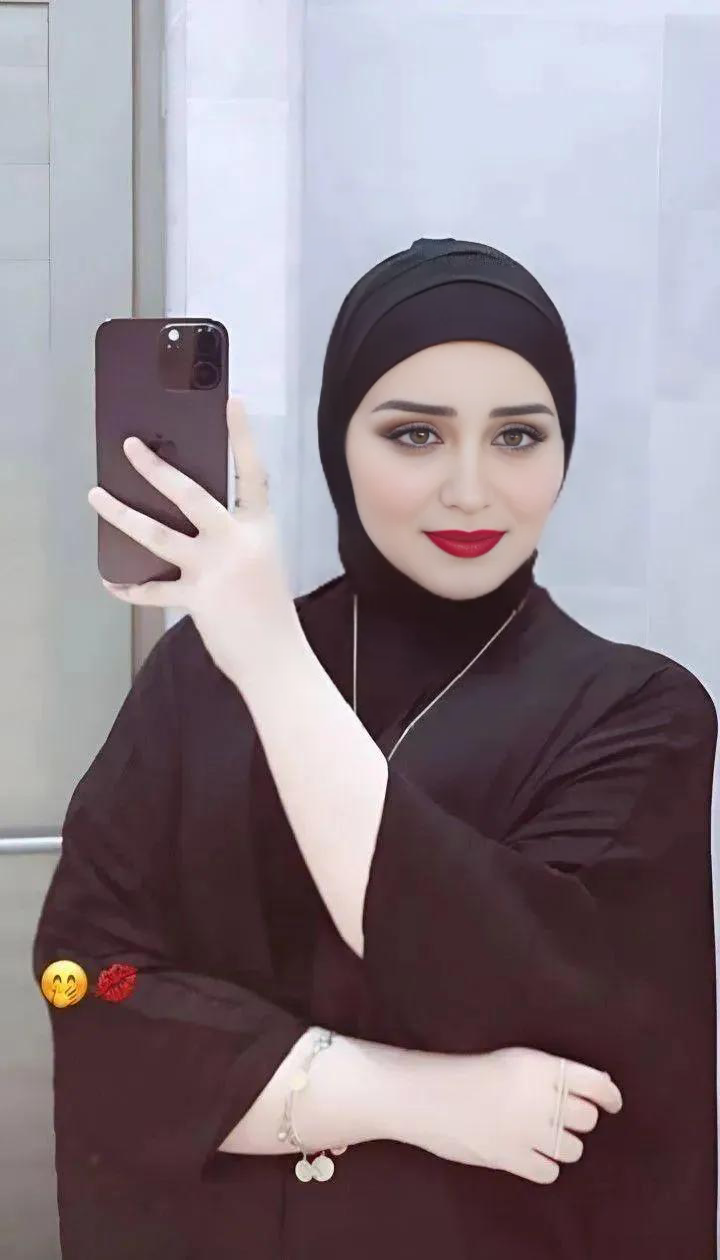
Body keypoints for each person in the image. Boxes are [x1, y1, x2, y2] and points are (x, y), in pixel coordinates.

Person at [32, 238, 717, 1258]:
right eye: (415, 434)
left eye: (518, 436)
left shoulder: (637, 714)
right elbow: (93, 985)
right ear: (337, 442)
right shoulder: (200, 681)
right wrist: (401, 1096)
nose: (472, 491)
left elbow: (527, 991)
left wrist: (272, 662)